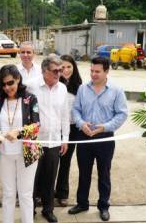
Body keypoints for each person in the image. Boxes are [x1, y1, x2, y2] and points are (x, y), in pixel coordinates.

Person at [68, 57, 128, 221]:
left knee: (104, 173)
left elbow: (122, 114)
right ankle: (82, 203)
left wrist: (104, 127)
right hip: (84, 136)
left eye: (97, 71)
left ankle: (103, 206)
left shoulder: (116, 90)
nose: (93, 74)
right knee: (84, 172)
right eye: (92, 71)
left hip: (104, 138)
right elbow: (76, 109)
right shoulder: (82, 89)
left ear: (107, 71)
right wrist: (81, 124)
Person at [0, 64, 41, 223]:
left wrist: (19, 133)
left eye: (10, 83)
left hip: (26, 153)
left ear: (18, 79)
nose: (7, 87)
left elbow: (37, 126)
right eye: (3, 84)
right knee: (8, 194)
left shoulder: (30, 99)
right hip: (4, 154)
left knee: (25, 194)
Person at [28, 56, 70, 223]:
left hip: (53, 141)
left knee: (50, 178)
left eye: (60, 70)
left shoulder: (62, 89)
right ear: (44, 70)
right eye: (55, 71)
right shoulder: (31, 86)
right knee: (31, 179)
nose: (59, 73)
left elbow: (65, 115)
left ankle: (48, 210)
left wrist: (65, 138)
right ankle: (29, 209)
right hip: (34, 141)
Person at [54, 54, 83, 207]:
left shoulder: (80, 86)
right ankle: (44, 191)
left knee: (65, 161)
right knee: (51, 161)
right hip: (54, 128)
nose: (65, 70)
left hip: (72, 129)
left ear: (74, 68)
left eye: (69, 67)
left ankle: (62, 193)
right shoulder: (54, 83)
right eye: (62, 67)